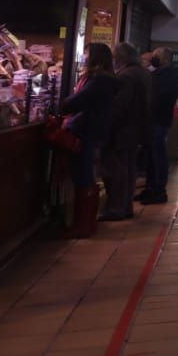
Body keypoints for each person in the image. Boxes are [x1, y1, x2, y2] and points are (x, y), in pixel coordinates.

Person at [59, 43, 118, 237]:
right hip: (93, 131)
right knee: (87, 177)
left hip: (86, 132)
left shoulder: (99, 80)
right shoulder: (107, 79)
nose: (84, 56)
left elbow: (78, 101)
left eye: (87, 53)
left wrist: (63, 105)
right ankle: (86, 223)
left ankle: (83, 225)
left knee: (83, 178)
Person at [98, 43, 151, 221]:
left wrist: (106, 124)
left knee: (116, 170)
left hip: (122, 131)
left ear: (120, 58)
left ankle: (116, 208)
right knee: (128, 170)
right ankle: (125, 206)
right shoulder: (143, 73)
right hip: (136, 130)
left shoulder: (126, 76)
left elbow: (119, 105)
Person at [141, 49, 178, 204]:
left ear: (164, 58)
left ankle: (159, 190)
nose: (153, 58)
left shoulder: (169, 74)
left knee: (158, 155)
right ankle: (150, 188)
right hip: (152, 120)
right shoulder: (159, 73)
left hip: (159, 119)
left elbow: (160, 96)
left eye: (156, 56)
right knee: (151, 156)